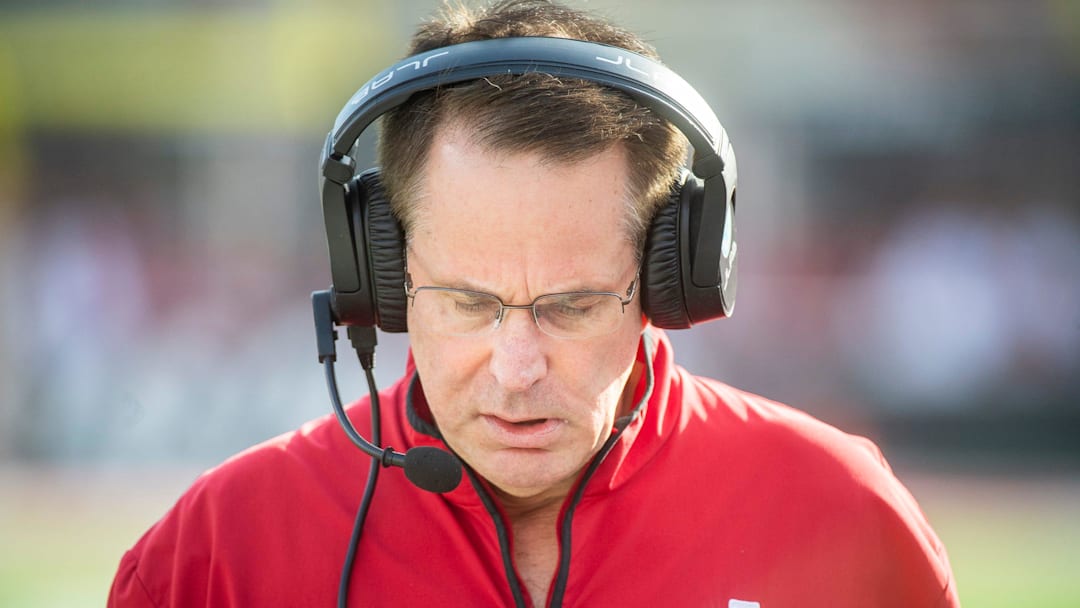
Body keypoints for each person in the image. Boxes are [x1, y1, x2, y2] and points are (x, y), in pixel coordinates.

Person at [109, 1, 959, 606]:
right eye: (469, 302)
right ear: (384, 277)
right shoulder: (217, 553)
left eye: (574, 306)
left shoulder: (841, 513)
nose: (517, 371)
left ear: (671, 280)